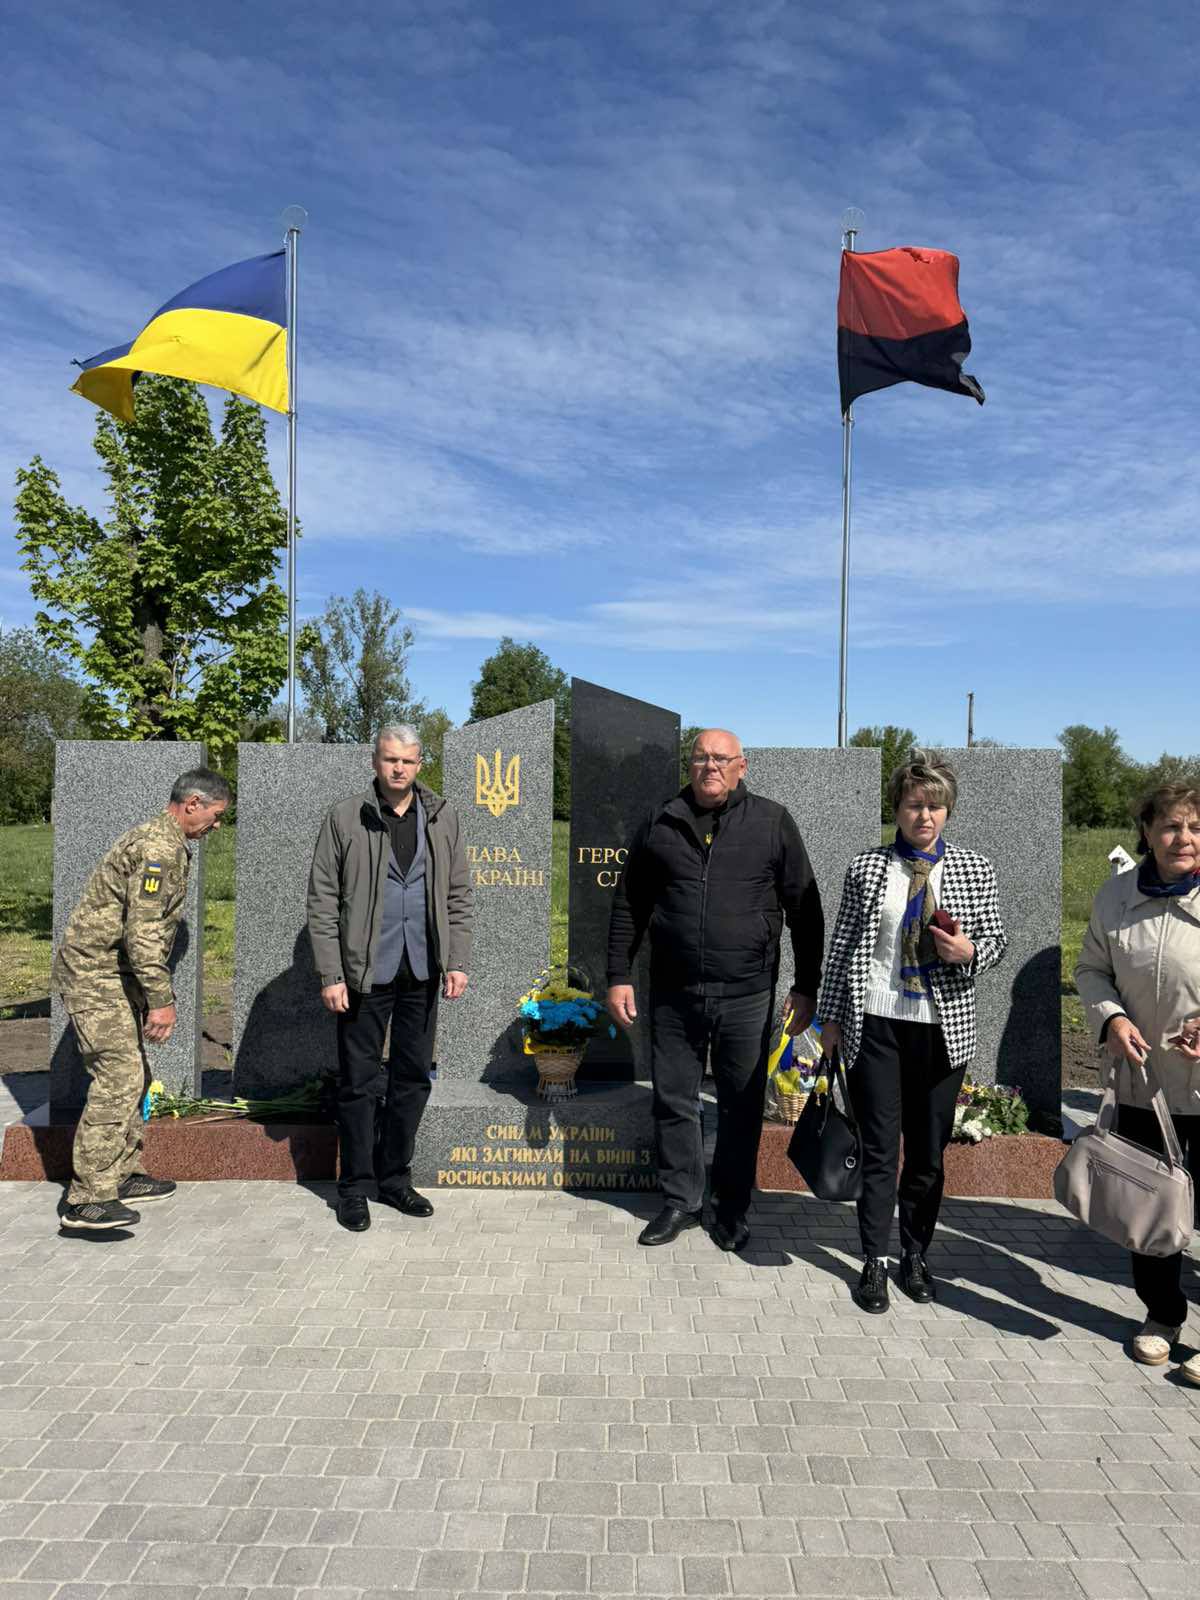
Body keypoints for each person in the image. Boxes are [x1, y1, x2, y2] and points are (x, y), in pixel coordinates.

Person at [606, 728, 824, 1251]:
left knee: (739, 1105)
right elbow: (630, 903)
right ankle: (682, 1201)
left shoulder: (771, 821)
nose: (711, 766)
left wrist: (806, 986)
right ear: (690, 765)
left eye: (722, 759)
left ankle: (731, 1207)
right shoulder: (661, 820)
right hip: (675, 991)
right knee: (674, 1099)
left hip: (747, 993)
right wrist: (618, 975)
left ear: (741, 767)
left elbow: (805, 909)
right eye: (702, 757)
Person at [817, 755, 1007, 1313]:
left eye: (934, 806)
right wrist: (831, 1018)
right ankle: (874, 1260)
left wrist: (968, 951)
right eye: (913, 804)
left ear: (948, 811)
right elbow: (843, 946)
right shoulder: (867, 867)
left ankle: (915, 1254)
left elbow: (996, 941)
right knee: (879, 1148)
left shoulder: (975, 868)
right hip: (876, 1022)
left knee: (927, 1154)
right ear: (897, 810)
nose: (924, 815)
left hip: (942, 1031)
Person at [307, 724, 472, 1233]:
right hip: (363, 973)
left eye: (407, 760)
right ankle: (355, 1187)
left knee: (412, 1078)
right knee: (358, 1083)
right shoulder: (345, 816)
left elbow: (458, 893)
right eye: (389, 759)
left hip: (421, 969)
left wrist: (457, 960)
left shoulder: (441, 816)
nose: (398, 768)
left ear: (420, 764)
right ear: (375, 761)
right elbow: (322, 901)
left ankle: (395, 1179)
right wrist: (331, 973)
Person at [52, 767, 231, 1231]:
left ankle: (123, 1174)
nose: (216, 826)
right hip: (95, 974)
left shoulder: (166, 840)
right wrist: (161, 1000)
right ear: (193, 803)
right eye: (215, 815)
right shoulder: (159, 849)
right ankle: (86, 1199)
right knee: (119, 1077)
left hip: (115, 976)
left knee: (135, 1074)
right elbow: (144, 933)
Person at [1075, 783, 1200, 1385]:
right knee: (1149, 1205)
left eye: (1195, 827)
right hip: (1143, 1083)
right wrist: (1112, 1020)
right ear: (1147, 832)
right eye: (1171, 826)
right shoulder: (1115, 896)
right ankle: (1163, 1314)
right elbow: (1091, 969)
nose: (1184, 839)